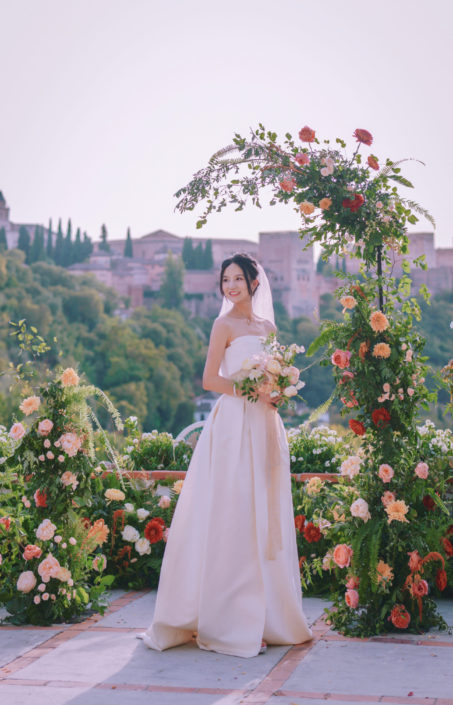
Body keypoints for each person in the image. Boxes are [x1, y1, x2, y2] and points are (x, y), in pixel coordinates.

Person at [139, 253, 312, 658]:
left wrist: (276, 391)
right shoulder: (223, 325)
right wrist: (248, 391)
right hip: (232, 424)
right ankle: (229, 617)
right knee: (232, 512)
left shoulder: (269, 327)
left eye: (238, 278)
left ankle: (267, 615)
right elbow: (209, 378)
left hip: (265, 424)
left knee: (263, 512)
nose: (231, 286)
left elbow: (274, 375)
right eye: (226, 279)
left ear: (255, 282)